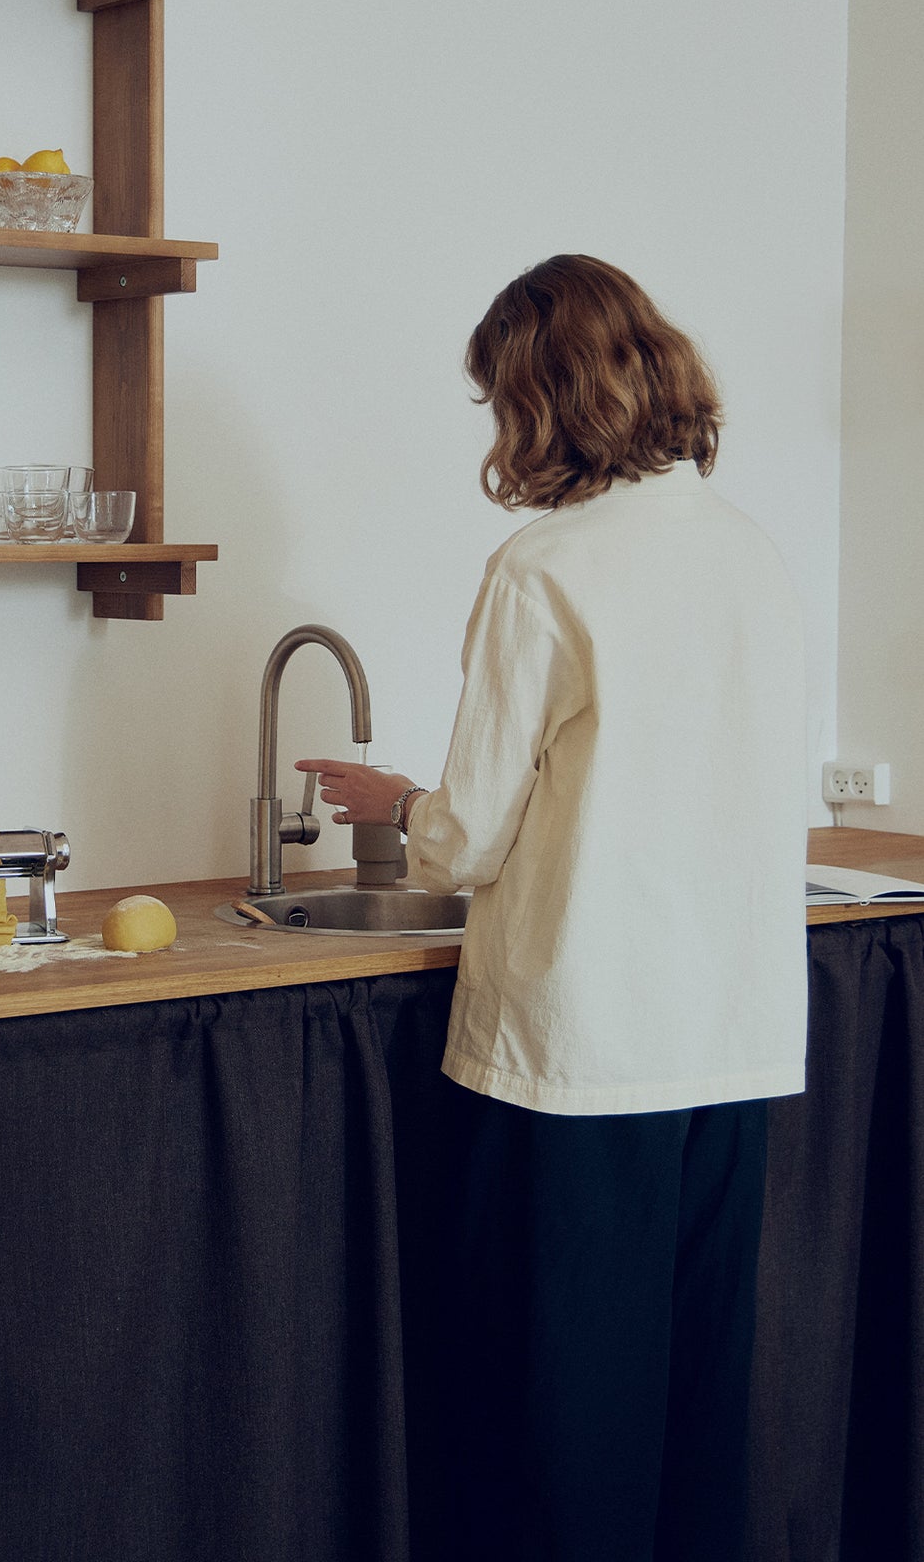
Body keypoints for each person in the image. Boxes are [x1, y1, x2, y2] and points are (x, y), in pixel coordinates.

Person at [297, 253, 807, 1562]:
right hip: (732, 1039)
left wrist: (395, 802)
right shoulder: (750, 553)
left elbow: (463, 837)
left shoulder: (543, 568)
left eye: (499, 401)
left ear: (543, 402)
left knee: (558, 1413)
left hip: (578, 1055)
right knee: (694, 1399)